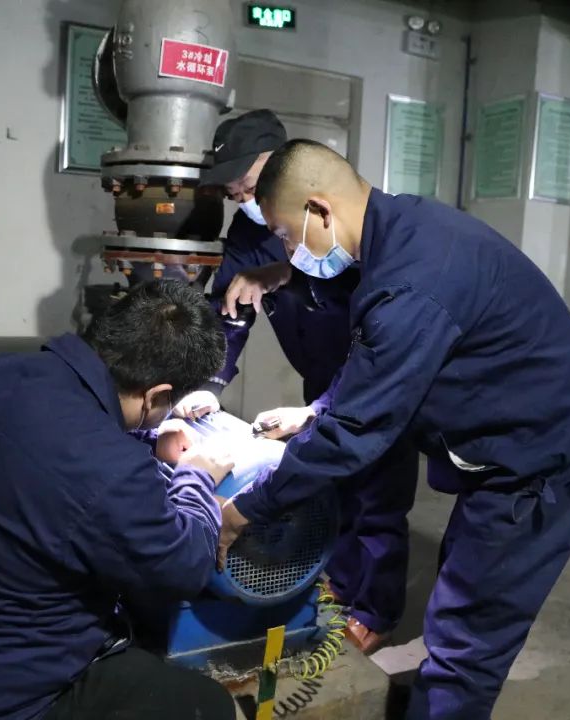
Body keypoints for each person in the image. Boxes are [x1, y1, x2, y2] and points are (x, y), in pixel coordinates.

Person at [217, 140, 570, 719]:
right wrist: (316, 410)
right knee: (460, 599)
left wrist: (247, 510)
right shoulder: (399, 230)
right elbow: (374, 357)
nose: (289, 255)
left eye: (287, 236)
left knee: (464, 643)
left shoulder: (411, 281)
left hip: (534, 462)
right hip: (497, 445)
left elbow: (357, 431)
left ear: (320, 210)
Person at [0, 281, 237, 720]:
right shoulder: (111, 470)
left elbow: (52, 451)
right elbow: (183, 566)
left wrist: (147, 438)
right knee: (208, 707)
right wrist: (197, 477)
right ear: (157, 396)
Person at [172, 109, 418, 653]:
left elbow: (376, 327)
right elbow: (232, 308)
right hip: (319, 375)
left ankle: (376, 612)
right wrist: (210, 382)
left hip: (376, 376)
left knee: (378, 496)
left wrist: (285, 271)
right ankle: (339, 582)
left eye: (248, 183)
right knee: (331, 486)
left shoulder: (346, 227)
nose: (240, 196)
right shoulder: (247, 229)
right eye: (233, 190)